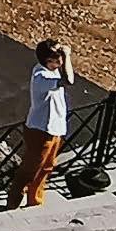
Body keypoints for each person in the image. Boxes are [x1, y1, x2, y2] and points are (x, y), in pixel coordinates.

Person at [17, 40, 73, 206]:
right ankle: (14, 201)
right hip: (41, 130)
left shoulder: (52, 71)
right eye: (58, 57)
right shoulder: (41, 76)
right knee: (31, 169)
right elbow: (69, 80)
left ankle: (35, 200)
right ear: (49, 60)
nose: (61, 60)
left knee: (46, 167)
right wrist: (67, 55)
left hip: (54, 128)